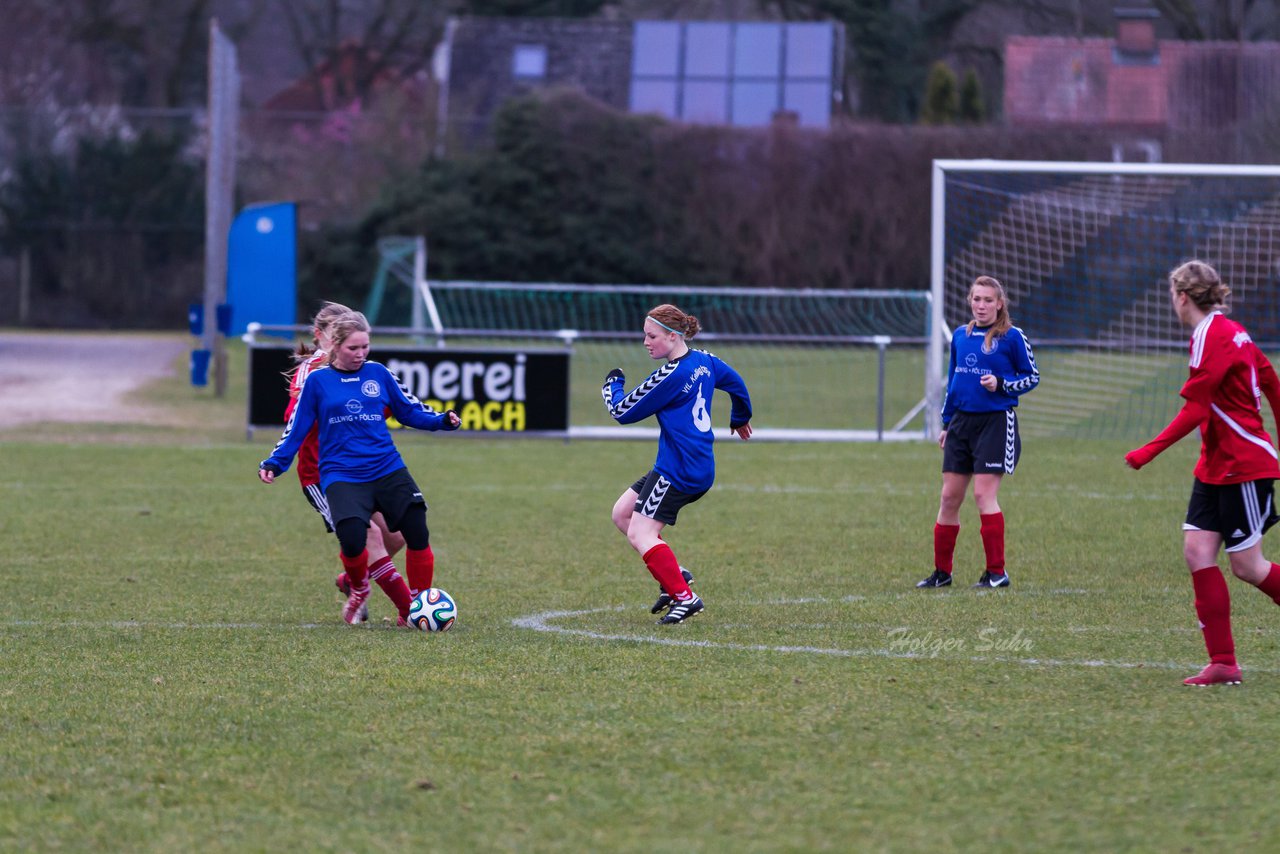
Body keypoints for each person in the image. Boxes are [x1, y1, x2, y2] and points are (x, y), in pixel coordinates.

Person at [1125, 259, 1280, 686]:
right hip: (1215, 466)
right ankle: (1224, 663)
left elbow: (1195, 408)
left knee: (1248, 566)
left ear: (1180, 297)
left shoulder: (1213, 335)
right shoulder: (1231, 331)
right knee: (1197, 553)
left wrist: (1148, 451)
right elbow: (1271, 381)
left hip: (1244, 466)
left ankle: (1225, 663)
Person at [259, 311, 461, 625]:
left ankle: (417, 606)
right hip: (342, 475)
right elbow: (295, 428)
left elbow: (408, 410)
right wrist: (275, 462)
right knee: (357, 539)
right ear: (334, 346)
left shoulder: (378, 373)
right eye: (354, 348)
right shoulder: (317, 381)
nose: (361, 353)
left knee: (413, 529)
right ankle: (371, 594)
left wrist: (441, 421)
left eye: (365, 346)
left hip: (386, 467)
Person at [602, 303, 753, 624]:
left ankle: (685, 597)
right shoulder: (705, 361)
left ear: (672, 336)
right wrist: (740, 416)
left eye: (651, 335)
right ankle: (676, 576)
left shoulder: (670, 375)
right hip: (689, 464)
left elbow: (621, 412)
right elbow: (737, 382)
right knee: (622, 514)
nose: (646, 342)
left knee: (641, 534)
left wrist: (611, 384)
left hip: (678, 470)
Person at [285, 302, 407, 623]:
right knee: (372, 537)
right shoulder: (311, 371)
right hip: (322, 475)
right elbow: (296, 417)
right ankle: (410, 609)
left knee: (397, 535)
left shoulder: (361, 370)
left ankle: (351, 580)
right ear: (321, 336)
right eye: (337, 333)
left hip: (364, 468)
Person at [917, 275, 1040, 590]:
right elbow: (954, 383)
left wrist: (1001, 384)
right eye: (977, 299)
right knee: (948, 498)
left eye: (988, 300)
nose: (981, 305)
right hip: (961, 424)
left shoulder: (1013, 337)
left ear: (1000, 304)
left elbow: (1032, 377)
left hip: (995, 423)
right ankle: (941, 573)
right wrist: (947, 424)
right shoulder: (961, 335)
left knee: (983, 495)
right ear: (970, 302)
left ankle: (997, 573)